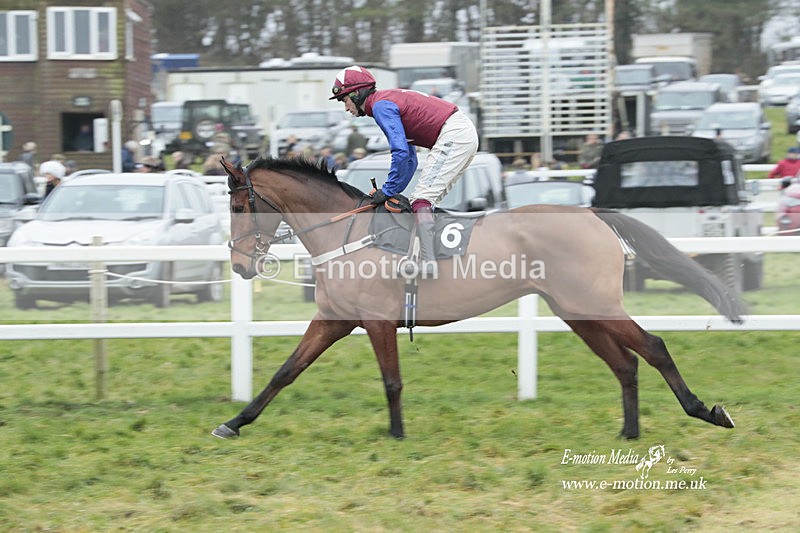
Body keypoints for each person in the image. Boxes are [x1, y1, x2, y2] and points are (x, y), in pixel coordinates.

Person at [329, 65, 479, 274]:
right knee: (424, 201)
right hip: (460, 132)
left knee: (422, 200)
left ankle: (427, 262)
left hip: (455, 134)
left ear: (356, 93)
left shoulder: (380, 106)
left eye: (344, 100)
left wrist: (388, 190)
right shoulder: (383, 102)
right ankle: (427, 255)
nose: (346, 107)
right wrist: (392, 190)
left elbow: (399, 153)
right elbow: (410, 160)